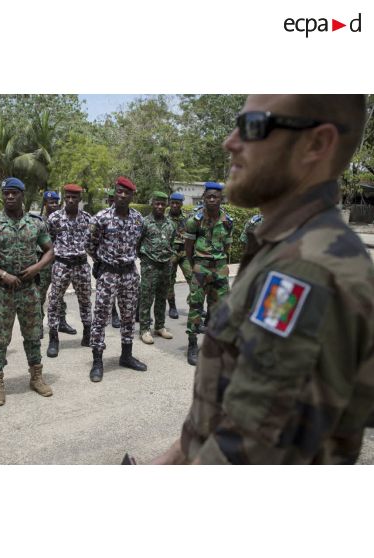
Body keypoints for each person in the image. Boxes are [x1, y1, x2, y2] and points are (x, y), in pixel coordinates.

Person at [151, 94, 374, 465]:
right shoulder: (284, 245)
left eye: (252, 126)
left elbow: (247, 452)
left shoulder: (306, 270)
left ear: (316, 144)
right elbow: (227, 408)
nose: (230, 141)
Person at [0, 177, 55, 406]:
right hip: (3, 290)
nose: (9, 197)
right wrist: (1, 274)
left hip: (29, 290)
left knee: (33, 335)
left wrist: (37, 266)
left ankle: (36, 377)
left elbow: (50, 251)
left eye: (13, 193)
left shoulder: (36, 223)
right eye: (6, 193)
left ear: (22, 195)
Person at [86, 176, 147, 382]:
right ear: (114, 193)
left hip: (129, 273)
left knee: (129, 316)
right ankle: (97, 361)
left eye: (126, 192)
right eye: (118, 191)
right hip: (108, 273)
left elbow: (138, 243)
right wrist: (101, 263)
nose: (121, 195)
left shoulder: (138, 219)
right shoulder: (100, 218)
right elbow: (90, 245)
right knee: (101, 317)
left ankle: (126, 355)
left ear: (132, 195)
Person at [185, 182, 233, 365]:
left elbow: (227, 247)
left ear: (221, 199)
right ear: (204, 198)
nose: (212, 199)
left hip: (220, 269)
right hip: (200, 267)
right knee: (196, 306)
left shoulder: (228, 221)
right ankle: (192, 345)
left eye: (216, 197)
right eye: (209, 196)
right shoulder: (194, 221)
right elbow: (188, 248)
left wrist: (219, 264)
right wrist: (195, 266)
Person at [46, 184, 92, 357]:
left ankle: (87, 334)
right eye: (68, 197)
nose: (71, 200)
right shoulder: (55, 218)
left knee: (85, 300)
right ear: (64, 198)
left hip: (81, 264)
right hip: (61, 264)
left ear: (80, 199)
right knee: (54, 301)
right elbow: (49, 241)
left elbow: (92, 242)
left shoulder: (88, 218)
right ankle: (53, 338)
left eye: (74, 197)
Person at [138, 191, 176, 344]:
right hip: (149, 266)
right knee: (146, 298)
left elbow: (171, 243)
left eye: (162, 204)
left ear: (166, 205)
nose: (160, 206)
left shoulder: (170, 224)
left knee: (162, 297)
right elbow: (137, 243)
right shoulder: (144, 222)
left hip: (165, 266)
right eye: (157, 203)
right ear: (152, 204)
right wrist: (144, 259)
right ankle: (145, 329)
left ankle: (159, 326)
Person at [38, 190, 76, 338]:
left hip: (60, 261)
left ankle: (61, 322)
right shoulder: (39, 220)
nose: (53, 205)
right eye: (50, 202)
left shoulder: (62, 219)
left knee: (59, 294)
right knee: (40, 295)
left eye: (55, 202)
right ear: (45, 204)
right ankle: (38, 325)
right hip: (43, 262)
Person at [166, 192, 192, 319]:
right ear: (170, 203)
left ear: (182, 204)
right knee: (169, 281)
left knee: (193, 279)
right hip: (170, 253)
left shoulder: (188, 218)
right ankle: (172, 307)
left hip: (184, 252)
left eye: (177, 203)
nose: (175, 205)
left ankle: (194, 305)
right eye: (173, 203)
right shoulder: (165, 217)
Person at [105, 187, 121, 329]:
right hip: (107, 263)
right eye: (110, 199)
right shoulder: (104, 217)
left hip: (123, 263)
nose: (112, 202)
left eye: (113, 199)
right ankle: (113, 313)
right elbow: (92, 242)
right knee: (110, 292)